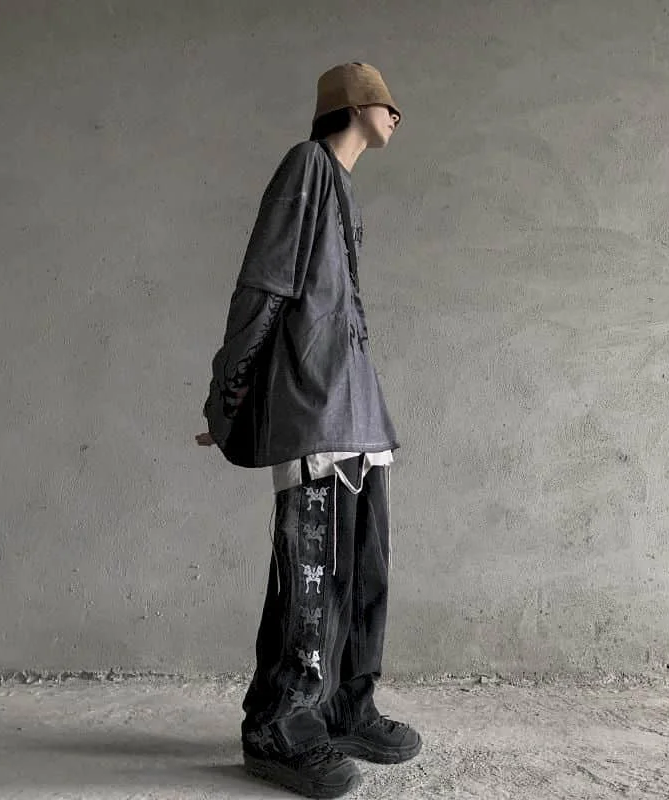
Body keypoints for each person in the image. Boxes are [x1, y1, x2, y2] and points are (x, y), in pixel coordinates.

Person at [195, 62, 421, 798]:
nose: (396, 114)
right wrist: (229, 395)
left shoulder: (341, 186)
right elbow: (263, 287)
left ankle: (346, 707)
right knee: (312, 575)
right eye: (386, 101)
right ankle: (280, 725)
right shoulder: (306, 167)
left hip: (358, 409)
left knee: (365, 568)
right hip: (316, 408)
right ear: (353, 106)